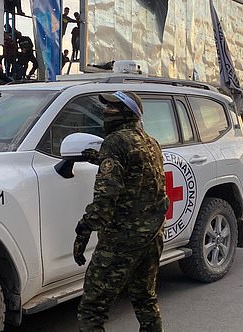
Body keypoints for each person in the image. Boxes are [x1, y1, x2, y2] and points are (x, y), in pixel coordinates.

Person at [74, 90, 169, 331]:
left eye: (113, 109)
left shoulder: (115, 142)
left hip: (121, 241)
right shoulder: (151, 142)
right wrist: (100, 158)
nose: (106, 112)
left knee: (92, 311)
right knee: (145, 299)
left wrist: (84, 229)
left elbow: (105, 200)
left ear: (128, 113)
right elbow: (138, 171)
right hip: (152, 236)